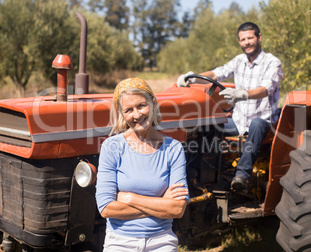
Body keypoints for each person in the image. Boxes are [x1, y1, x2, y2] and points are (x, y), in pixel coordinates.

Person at [177, 22, 283, 192]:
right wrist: (192, 78)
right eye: (243, 40)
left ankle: (241, 176)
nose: (246, 42)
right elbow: (216, 74)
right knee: (207, 126)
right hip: (238, 121)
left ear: (259, 37)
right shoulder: (239, 61)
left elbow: (265, 89)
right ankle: (195, 173)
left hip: (264, 122)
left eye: (250, 38)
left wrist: (243, 94)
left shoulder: (272, 62)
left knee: (256, 124)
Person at [96, 78, 189, 251]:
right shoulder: (112, 147)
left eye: (141, 106)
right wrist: (161, 203)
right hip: (120, 241)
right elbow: (106, 208)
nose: (137, 115)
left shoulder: (173, 148)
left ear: (153, 103)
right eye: (128, 110)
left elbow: (177, 209)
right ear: (122, 114)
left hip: (161, 240)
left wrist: (130, 198)